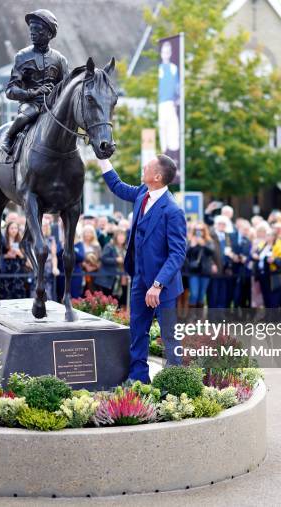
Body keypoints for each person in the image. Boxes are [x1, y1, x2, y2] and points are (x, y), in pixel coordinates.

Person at [99, 154, 187, 383]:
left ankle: (174, 384)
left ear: (157, 176)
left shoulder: (173, 210)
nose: (143, 167)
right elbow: (117, 186)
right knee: (138, 332)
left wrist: (158, 285)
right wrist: (102, 159)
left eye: (147, 166)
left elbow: (177, 253)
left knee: (169, 337)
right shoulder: (141, 193)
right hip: (139, 280)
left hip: (164, 287)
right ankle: (138, 379)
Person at [0, 9, 68, 155]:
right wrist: (33, 92)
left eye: (38, 30)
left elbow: (66, 89)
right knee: (28, 114)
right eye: (31, 29)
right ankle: (8, 138)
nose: (32, 33)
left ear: (49, 34)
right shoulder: (22, 56)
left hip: (53, 107)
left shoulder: (60, 60)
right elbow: (10, 91)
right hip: (31, 104)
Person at [185, 222, 217, 309]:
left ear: (204, 231)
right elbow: (185, 255)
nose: (199, 232)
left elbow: (212, 252)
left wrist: (203, 244)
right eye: (197, 230)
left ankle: (199, 318)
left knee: (201, 295)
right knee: (194, 294)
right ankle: (191, 318)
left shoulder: (208, 241)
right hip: (193, 271)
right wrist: (192, 246)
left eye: (201, 230)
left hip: (205, 270)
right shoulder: (190, 240)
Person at [0, 221, 28, 300]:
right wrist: (7, 255)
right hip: (6, 272)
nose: (14, 230)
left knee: (18, 295)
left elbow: (26, 259)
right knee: (6, 294)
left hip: (18, 273)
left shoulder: (21, 242)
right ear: (8, 229)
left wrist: (19, 253)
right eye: (12, 228)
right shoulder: (3, 241)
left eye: (15, 228)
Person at [81, 224, 102, 292]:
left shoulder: (97, 245)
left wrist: (95, 267)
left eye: (90, 232)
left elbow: (100, 259)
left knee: (93, 291)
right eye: (86, 232)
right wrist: (85, 265)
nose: (88, 234)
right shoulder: (80, 244)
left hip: (94, 273)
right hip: (82, 272)